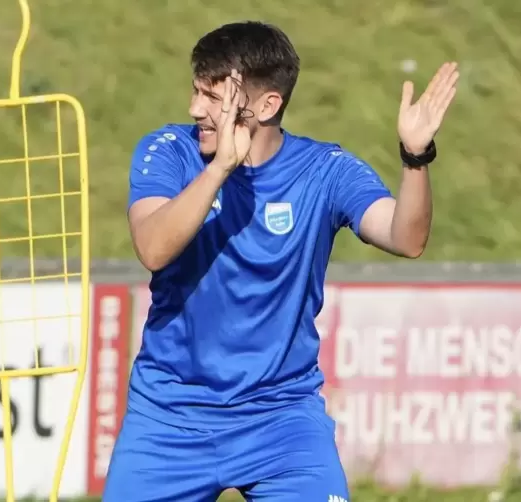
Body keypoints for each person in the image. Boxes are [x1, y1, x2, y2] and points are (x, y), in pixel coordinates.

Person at [104, 20, 458, 502]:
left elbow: (406, 237)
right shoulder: (169, 152)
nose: (195, 109)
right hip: (171, 414)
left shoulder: (324, 171)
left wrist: (415, 158)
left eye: (213, 98)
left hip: (282, 420)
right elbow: (153, 247)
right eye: (195, 92)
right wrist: (219, 170)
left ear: (268, 105)